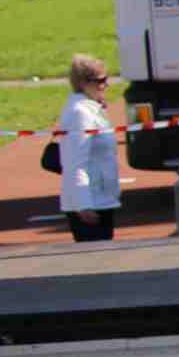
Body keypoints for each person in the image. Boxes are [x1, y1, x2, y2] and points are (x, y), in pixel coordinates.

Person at [54, 53, 122, 242]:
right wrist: (83, 205)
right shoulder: (81, 113)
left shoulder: (91, 108)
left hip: (101, 198)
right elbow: (75, 162)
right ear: (84, 83)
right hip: (90, 202)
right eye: (101, 81)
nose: (106, 85)